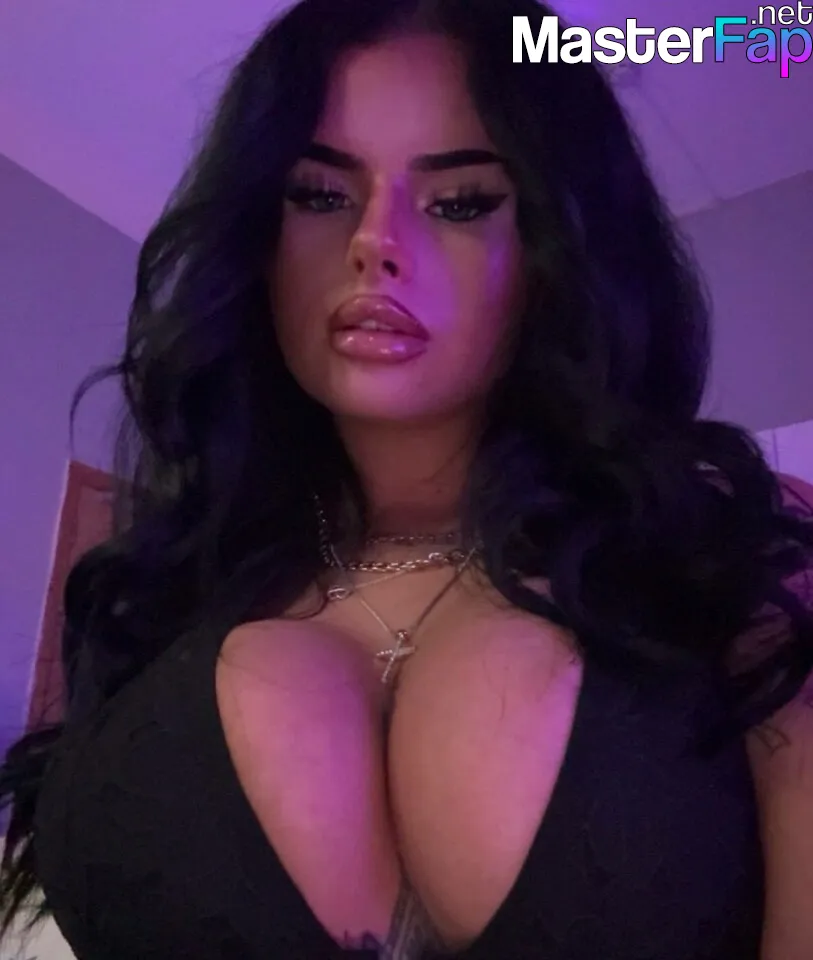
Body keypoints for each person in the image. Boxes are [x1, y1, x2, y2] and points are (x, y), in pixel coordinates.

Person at [2, 0, 813, 957]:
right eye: (318, 194)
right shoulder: (158, 587)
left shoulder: (719, 556)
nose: (373, 241)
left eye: (460, 202)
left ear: (560, 251)